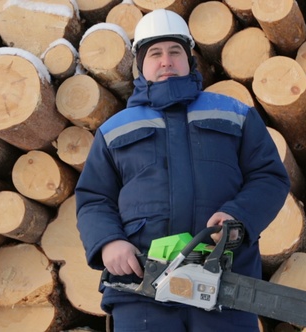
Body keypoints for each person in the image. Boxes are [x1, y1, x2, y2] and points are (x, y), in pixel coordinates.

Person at [75, 8, 290, 332]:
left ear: (189, 59)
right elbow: (93, 198)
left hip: (225, 285)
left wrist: (239, 216)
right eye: (155, 54)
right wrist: (108, 242)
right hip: (141, 291)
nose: (166, 61)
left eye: (175, 51)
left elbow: (269, 176)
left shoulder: (234, 114)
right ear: (141, 65)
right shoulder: (113, 131)